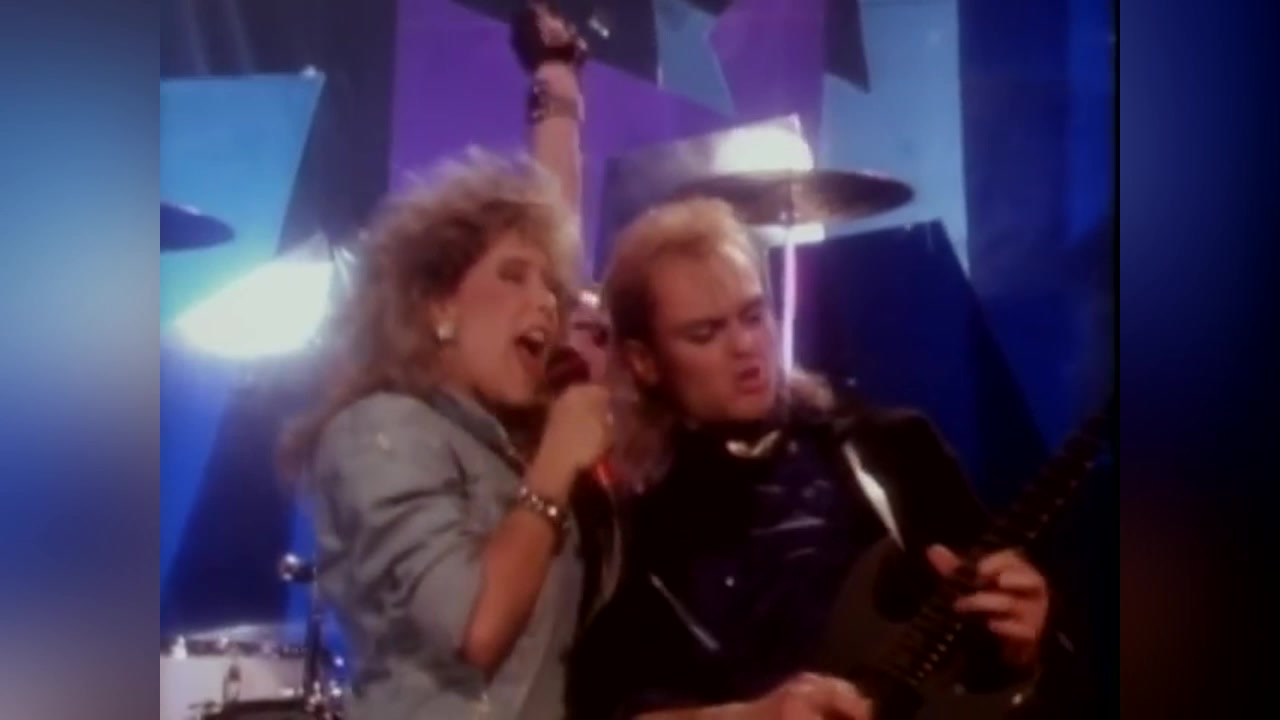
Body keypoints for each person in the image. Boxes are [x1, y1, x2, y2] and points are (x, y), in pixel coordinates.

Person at [565, 198, 1061, 719]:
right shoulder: (623, 521)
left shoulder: (894, 449)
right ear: (643, 361)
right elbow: (605, 709)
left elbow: (992, 675)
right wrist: (751, 717)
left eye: (754, 315)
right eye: (705, 333)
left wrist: (1024, 642)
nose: (745, 346)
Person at [275, 8, 612, 719]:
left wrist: (559, 88)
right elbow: (475, 628)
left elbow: (556, 215)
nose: (545, 303)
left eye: (553, 292)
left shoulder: (503, 447)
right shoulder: (380, 430)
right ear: (439, 307)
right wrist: (555, 467)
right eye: (513, 278)